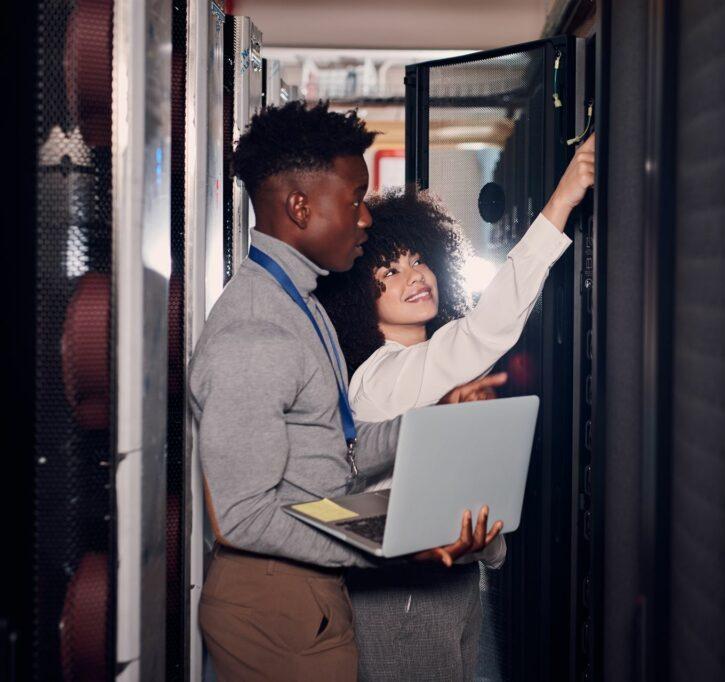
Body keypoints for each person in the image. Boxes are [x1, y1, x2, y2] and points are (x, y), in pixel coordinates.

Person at [188, 101, 501, 682]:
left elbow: (337, 449)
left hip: (309, 592)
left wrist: (431, 421)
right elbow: (244, 517)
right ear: (300, 206)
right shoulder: (257, 330)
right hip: (278, 605)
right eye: (354, 198)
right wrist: (388, 547)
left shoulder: (299, 303)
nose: (364, 219)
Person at [317, 135, 595, 680]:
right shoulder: (380, 379)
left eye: (418, 260)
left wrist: (487, 551)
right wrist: (562, 199)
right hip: (403, 602)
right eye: (390, 272)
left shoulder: (436, 371)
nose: (415, 276)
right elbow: (486, 329)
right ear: (358, 299)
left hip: (456, 584)